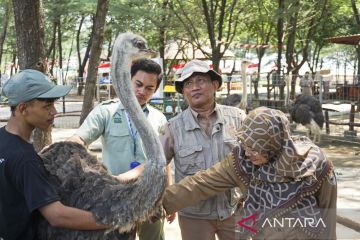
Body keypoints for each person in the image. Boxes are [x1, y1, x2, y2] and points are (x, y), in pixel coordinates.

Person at [162, 107, 337, 240]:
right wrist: (157, 205)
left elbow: (328, 215)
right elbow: (201, 183)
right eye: (245, 144)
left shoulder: (315, 164)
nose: (247, 153)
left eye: (254, 148)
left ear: (272, 142)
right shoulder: (243, 163)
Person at [68, 58, 173, 240]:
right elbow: (79, 138)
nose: (142, 91)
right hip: (116, 198)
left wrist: (169, 196)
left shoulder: (159, 118)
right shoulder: (106, 112)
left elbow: (165, 161)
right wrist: (69, 147)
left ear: (155, 90)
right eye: (138, 84)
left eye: (149, 88)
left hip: (152, 197)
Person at [0, 69, 109, 240]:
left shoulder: (3, 139)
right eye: (47, 106)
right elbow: (57, 216)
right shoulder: (25, 159)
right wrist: (112, 220)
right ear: (23, 108)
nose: (54, 112)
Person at [159, 59, 247, 240]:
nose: (194, 87)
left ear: (214, 84)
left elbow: (258, 159)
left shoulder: (238, 118)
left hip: (236, 210)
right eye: (188, 84)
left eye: (200, 81)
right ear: (183, 92)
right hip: (193, 216)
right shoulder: (173, 128)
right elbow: (156, 165)